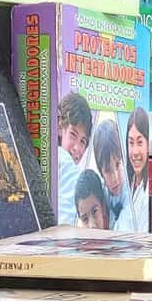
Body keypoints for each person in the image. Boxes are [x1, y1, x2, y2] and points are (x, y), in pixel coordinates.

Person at [54, 92, 94, 226]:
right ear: (60, 127)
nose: (77, 148)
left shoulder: (52, 160)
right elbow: (65, 224)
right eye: (73, 134)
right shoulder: (65, 161)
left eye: (83, 141)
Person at [90, 116, 128, 226]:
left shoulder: (131, 193)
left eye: (118, 164)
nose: (115, 177)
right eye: (107, 170)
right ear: (101, 172)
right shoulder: (100, 195)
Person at [123, 108, 152, 232]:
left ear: (149, 145)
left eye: (140, 142)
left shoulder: (150, 191)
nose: (135, 152)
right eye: (131, 143)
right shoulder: (127, 182)